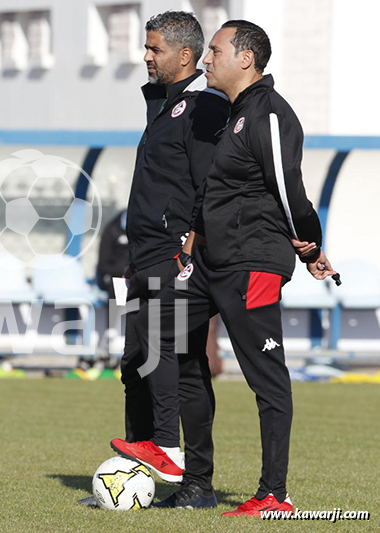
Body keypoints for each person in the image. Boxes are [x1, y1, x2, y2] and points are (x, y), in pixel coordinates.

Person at [111, 20, 336, 517]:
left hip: (252, 262)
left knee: (266, 381)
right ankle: (167, 448)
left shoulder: (268, 115)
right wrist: (195, 241)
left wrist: (311, 245)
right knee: (157, 329)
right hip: (214, 261)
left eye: (214, 51)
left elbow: (287, 188)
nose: (208, 59)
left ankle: (274, 495)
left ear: (246, 59)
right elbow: (218, 190)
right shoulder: (235, 113)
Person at [110, 11, 229, 509]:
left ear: (185, 55)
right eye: (146, 46)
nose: (145, 56)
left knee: (182, 366)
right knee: (136, 364)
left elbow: (210, 186)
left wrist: (189, 247)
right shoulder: (163, 105)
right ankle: (134, 481)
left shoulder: (203, 108)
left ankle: (194, 479)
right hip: (143, 258)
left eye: (154, 49)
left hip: (174, 256)